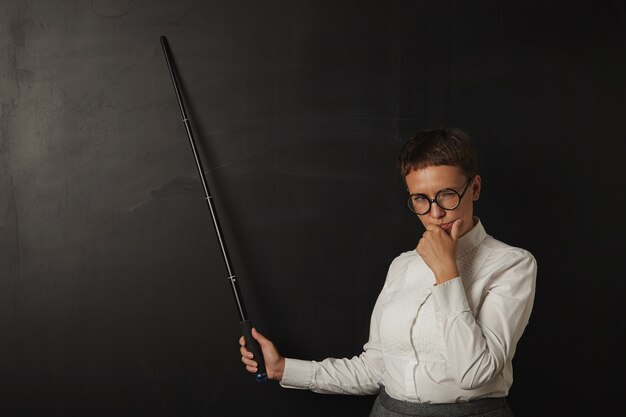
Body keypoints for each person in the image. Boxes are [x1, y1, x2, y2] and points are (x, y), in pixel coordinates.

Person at [239, 127, 537, 417]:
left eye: (447, 194)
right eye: (421, 199)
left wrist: (447, 273)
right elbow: (376, 368)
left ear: (474, 188)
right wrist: (282, 369)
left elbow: (475, 373)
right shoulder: (402, 266)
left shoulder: (512, 264)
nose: (435, 213)